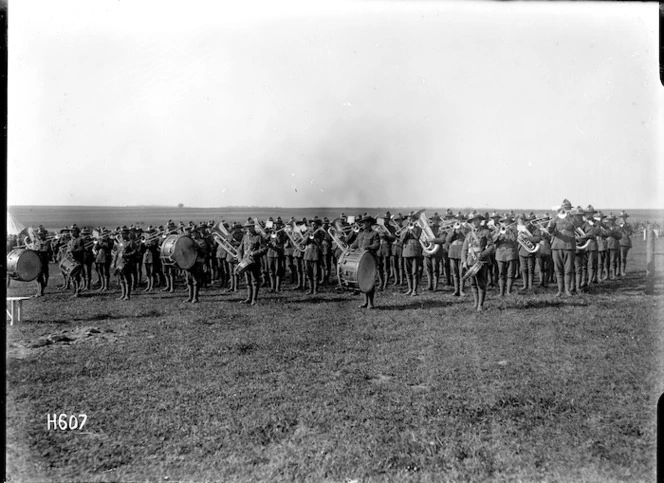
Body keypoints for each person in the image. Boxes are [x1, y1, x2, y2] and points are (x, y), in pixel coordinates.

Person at [461, 211, 495, 312]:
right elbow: (464, 249)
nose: (474, 222)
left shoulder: (486, 232)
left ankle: (480, 305)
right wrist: (464, 261)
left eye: (476, 220)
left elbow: (491, 247)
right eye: (472, 221)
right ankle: (475, 303)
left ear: (480, 221)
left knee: (481, 283)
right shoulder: (469, 234)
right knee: (473, 283)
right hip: (471, 261)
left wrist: (482, 254)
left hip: (481, 261)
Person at [350, 215, 380, 309]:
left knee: (370, 281)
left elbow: (376, 245)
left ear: (369, 223)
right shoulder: (360, 234)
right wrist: (350, 247)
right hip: (360, 260)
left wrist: (368, 247)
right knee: (361, 280)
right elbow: (355, 244)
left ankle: (371, 303)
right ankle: (365, 301)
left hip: (370, 260)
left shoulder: (374, 234)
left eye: (364, 222)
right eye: (361, 223)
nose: (362, 224)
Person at [547, 199, 576, 297]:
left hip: (569, 246)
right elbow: (550, 231)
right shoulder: (555, 218)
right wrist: (550, 226)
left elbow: (577, 227)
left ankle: (567, 290)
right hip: (557, 246)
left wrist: (568, 216)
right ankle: (559, 291)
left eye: (567, 208)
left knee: (568, 269)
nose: (565, 210)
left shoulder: (573, 218)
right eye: (564, 208)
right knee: (558, 269)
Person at [237, 218, 267, 305]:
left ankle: (254, 299)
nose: (247, 229)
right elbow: (240, 249)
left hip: (254, 262)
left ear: (253, 227)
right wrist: (239, 259)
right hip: (245, 261)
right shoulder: (245, 237)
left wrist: (253, 253)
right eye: (246, 227)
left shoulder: (259, 237)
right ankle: (249, 298)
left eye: (249, 227)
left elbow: (264, 248)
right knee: (248, 281)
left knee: (255, 281)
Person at [492, 213, 519, 297]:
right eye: (504, 222)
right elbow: (493, 240)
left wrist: (509, 231)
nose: (506, 223)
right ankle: (501, 293)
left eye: (508, 222)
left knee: (511, 273)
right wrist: (499, 234)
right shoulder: (498, 229)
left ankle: (509, 292)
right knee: (501, 274)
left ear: (510, 222)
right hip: (500, 254)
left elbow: (515, 239)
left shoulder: (514, 229)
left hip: (511, 253)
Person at [400, 212, 423, 296]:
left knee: (414, 272)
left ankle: (415, 290)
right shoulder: (404, 229)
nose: (409, 220)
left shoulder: (418, 228)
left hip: (415, 251)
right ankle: (409, 289)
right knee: (407, 272)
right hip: (406, 251)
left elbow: (417, 237)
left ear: (414, 220)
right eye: (408, 219)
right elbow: (402, 241)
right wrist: (406, 231)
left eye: (411, 219)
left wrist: (412, 230)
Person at [516, 214, 540, 292]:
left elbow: (538, 238)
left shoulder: (534, 228)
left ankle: (530, 286)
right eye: (521, 220)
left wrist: (528, 237)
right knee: (523, 269)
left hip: (530, 250)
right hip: (521, 250)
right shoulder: (519, 228)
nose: (525, 222)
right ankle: (525, 285)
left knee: (530, 269)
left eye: (524, 220)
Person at [113, 226, 138, 301]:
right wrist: (114, 262)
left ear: (127, 234)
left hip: (127, 263)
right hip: (119, 262)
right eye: (121, 233)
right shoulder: (120, 242)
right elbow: (116, 252)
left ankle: (127, 295)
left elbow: (135, 252)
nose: (122, 235)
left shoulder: (131, 242)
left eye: (123, 234)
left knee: (127, 280)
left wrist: (126, 255)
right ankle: (122, 295)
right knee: (121, 279)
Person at [184, 226, 208, 303]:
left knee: (196, 281)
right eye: (192, 233)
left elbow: (203, 253)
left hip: (198, 262)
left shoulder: (201, 242)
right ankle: (190, 297)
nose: (193, 234)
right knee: (189, 280)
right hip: (189, 262)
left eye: (194, 233)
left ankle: (195, 298)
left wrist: (197, 247)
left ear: (198, 233)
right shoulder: (189, 241)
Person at [303, 217, 325, 295]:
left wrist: (315, 237)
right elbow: (303, 242)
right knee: (308, 273)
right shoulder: (308, 232)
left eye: (314, 224)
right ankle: (310, 289)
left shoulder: (321, 233)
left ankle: (315, 290)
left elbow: (319, 243)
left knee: (316, 273)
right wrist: (308, 236)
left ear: (317, 225)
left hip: (316, 254)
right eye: (311, 224)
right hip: (307, 255)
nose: (313, 226)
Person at [266, 217, 287, 292]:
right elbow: (265, 239)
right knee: (271, 271)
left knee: (278, 271)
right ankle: (272, 287)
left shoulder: (283, 233)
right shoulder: (271, 232)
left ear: (281, 225)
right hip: (270, 253)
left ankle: (277, 288)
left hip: (278, 254)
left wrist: (278, 233)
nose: (277, 226)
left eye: (279, 224)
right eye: (276, 224)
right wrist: (269, 233)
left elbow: (281, 241)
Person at [31, 226, 52, 297]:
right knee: (38, 276)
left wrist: (37, 251)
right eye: (39, 234)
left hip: (43, 261)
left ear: (44, 234)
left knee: (41, 276)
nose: (40, 235)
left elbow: (45, 250)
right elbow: (33, 248)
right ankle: (39, 291)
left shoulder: (47, 242)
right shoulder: (36, 241)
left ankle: (40, 291)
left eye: (41, 234)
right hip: (37, 261)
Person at [618, 211, 633, 277]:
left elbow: (629, 233)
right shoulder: (618, 224)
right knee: (618, 258)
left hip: (625, 243)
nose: (623, 218)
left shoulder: (628, 225)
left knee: (623, 258)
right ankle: (618, 271)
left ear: (626, 218)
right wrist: (620, 226)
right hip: (617, 242)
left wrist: (624, 227)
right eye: (622, 217)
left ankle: (622, 271)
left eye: (624, 217)